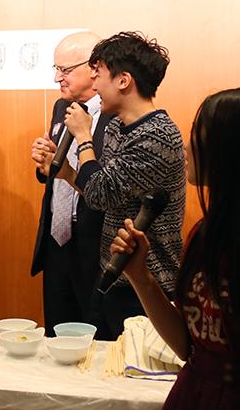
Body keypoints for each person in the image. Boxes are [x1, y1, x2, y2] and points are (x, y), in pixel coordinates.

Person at [111, 88, 240, 410]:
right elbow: (187, 346)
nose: (187, 145)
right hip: (194, 400)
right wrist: (139, 275)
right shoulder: (204, 235)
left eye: (199, 132)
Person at [59, 32, 186, 340]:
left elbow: (101, 192)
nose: (94, 83)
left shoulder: (157, 136)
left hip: (147, 285)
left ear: (123, 80)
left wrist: (83, 137)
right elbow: (106, 193)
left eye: (98, 74)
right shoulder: (118, 125)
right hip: (112, 275)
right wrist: (68, 174)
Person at [30, 31, 114, 336]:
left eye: (64, 70)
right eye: (56, 69)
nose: (57, 78)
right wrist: (46, 164)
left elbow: (109, 185)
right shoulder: (60, 108)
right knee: (56, 335)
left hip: (95, 242)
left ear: (94, 68)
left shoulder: (114, 115)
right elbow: (57, 169)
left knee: (96, 339)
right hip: (57, 239)